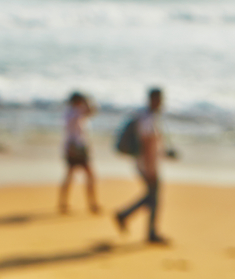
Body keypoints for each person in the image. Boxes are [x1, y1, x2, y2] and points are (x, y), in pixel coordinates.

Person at [115, 87, 177, 244]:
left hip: (147, 163)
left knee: (152, 197)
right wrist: (150, 169)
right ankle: (147, 230)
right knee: (153, 197)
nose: (161, 103)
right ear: (153, 100)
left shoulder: (147, 116)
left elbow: (153, 144)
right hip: (147, 165)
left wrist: (164, 154)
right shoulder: (147, 118)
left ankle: (129, 218)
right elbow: (147, 145)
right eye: (159, 99)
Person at [58, 92, 100, 214]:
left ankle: (63, 202)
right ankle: (91, 203)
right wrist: (88, 101)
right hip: (76, 147)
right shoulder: (76, 112)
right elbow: (92, 111)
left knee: (70, 175)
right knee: (88, 175)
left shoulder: (69, 112)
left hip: (73, 146)